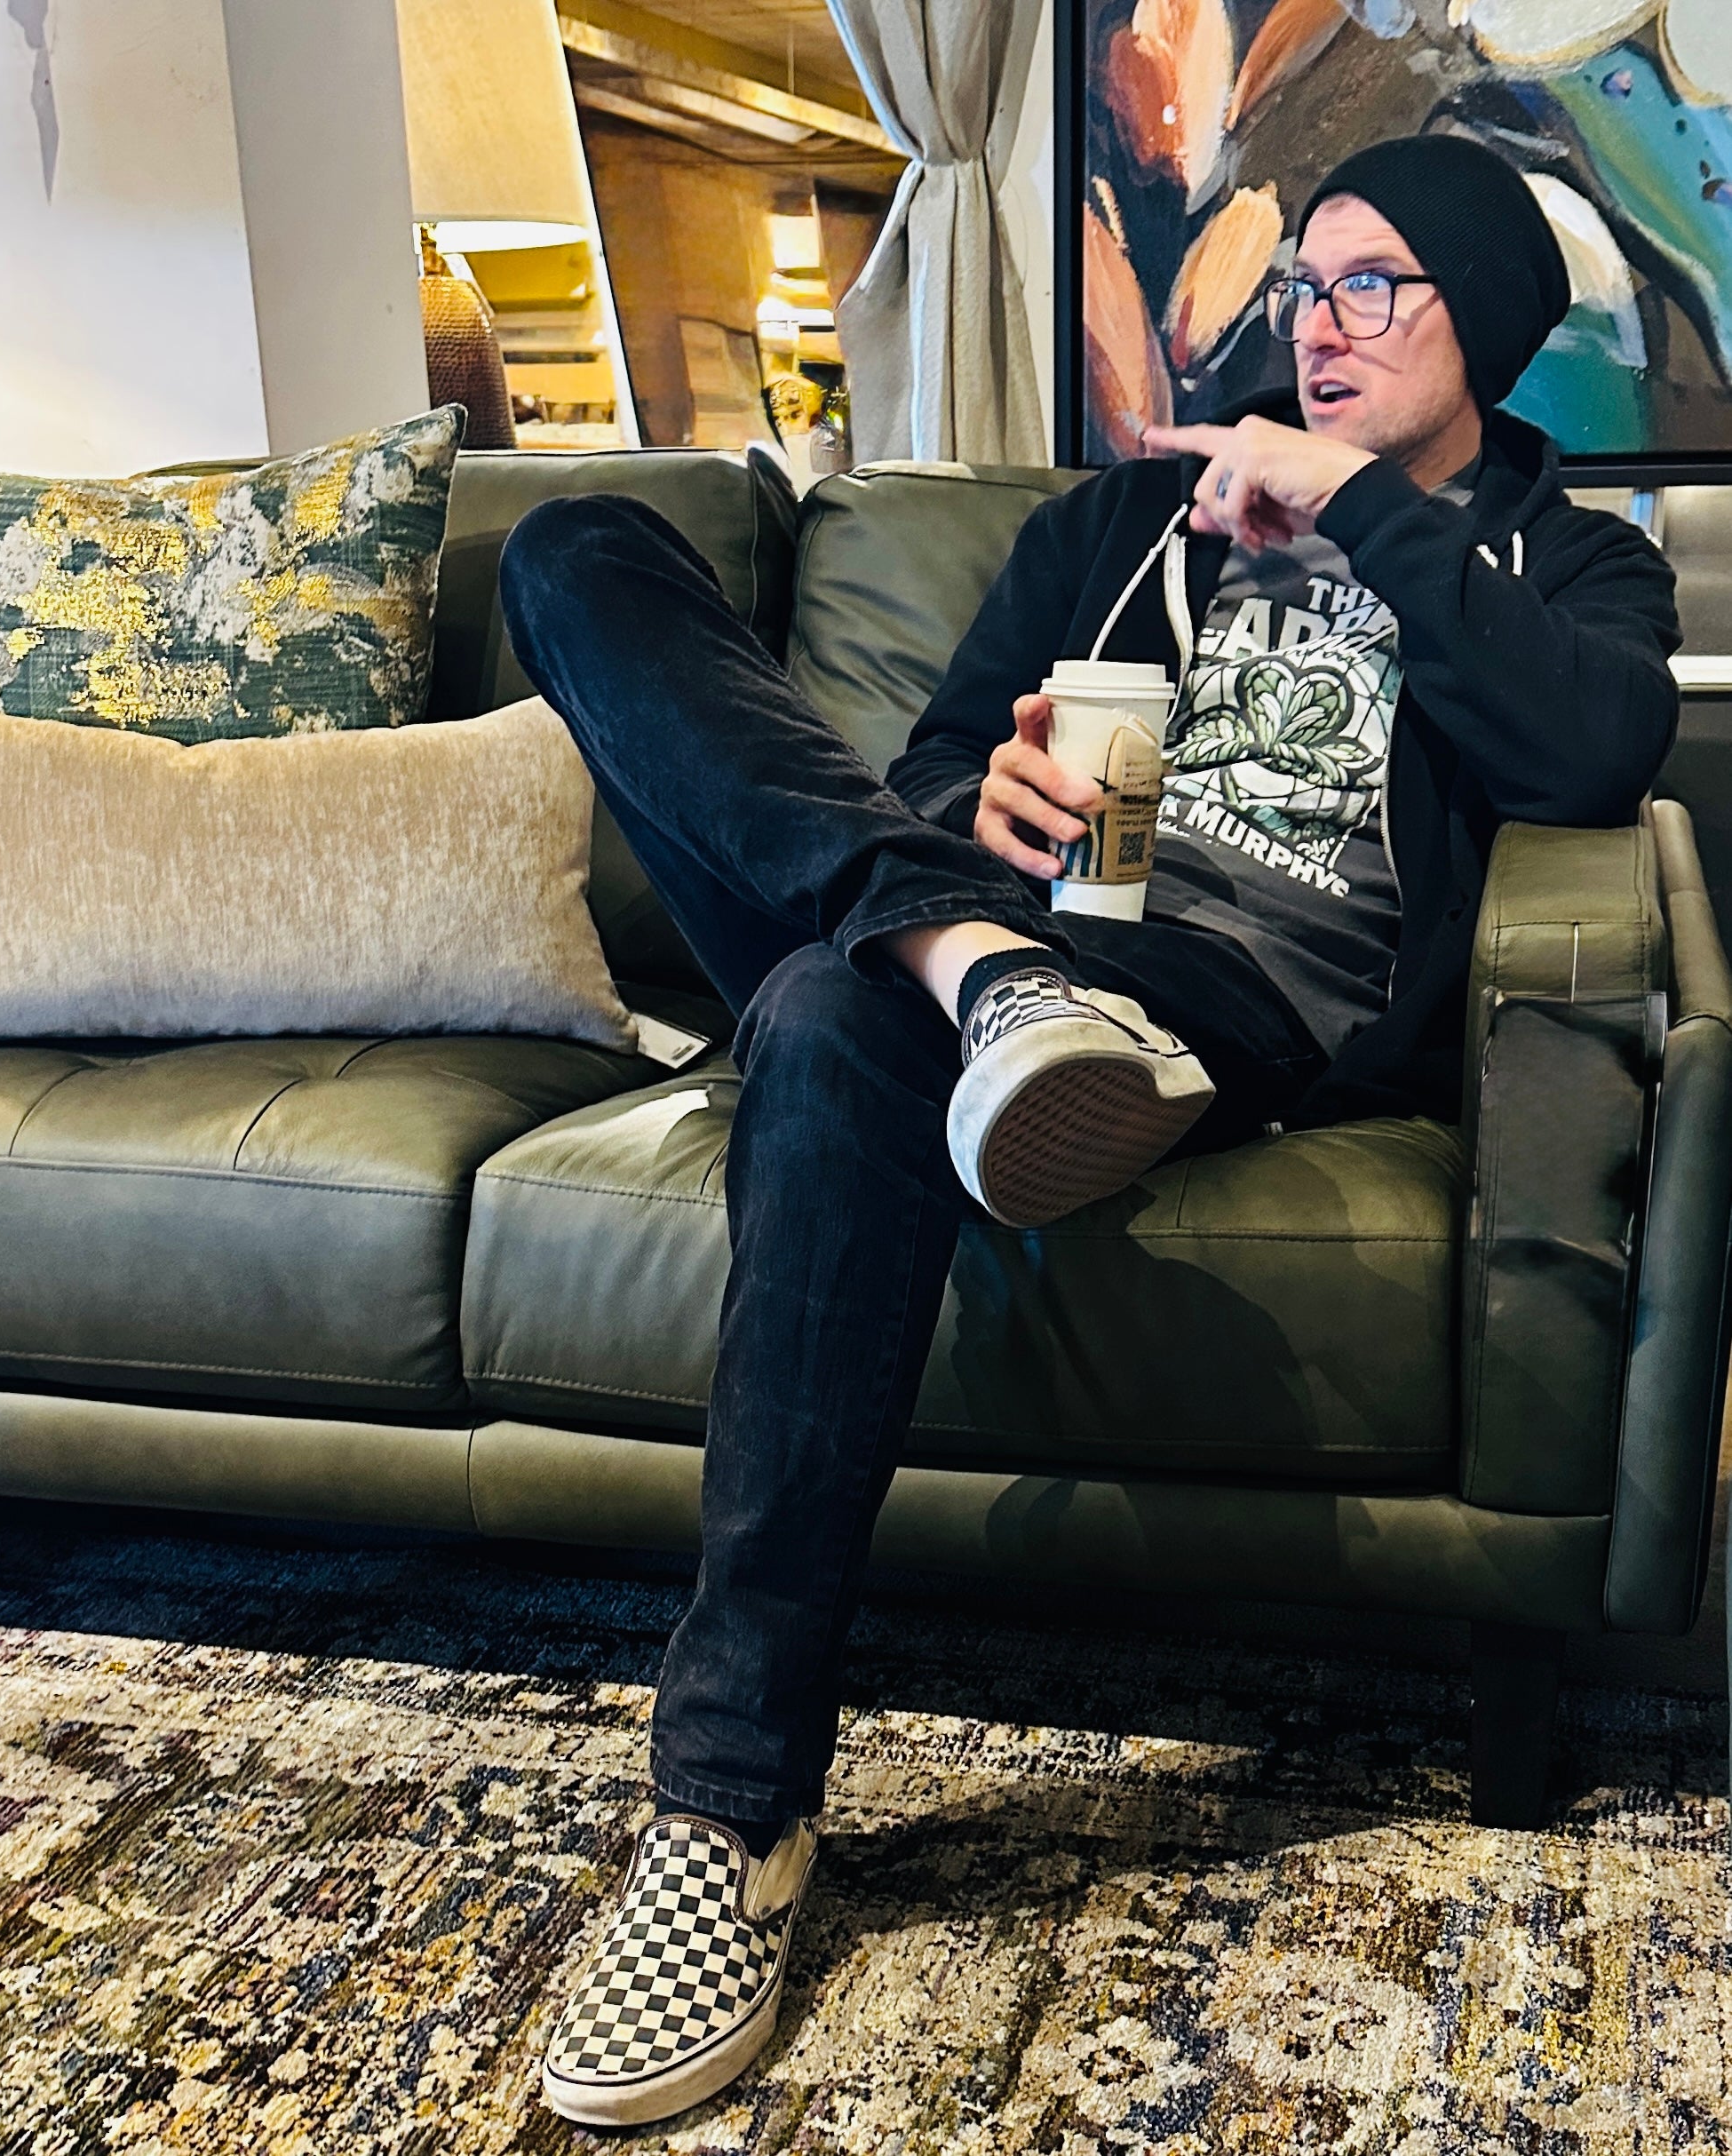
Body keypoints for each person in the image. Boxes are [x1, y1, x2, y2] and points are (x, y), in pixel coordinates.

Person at [497, 133, 1680, 2128]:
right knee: (573, 553)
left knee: (823, 1010)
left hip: (1211, 1008)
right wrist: (977, 810)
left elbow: (1592, 744)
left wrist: (1353, 504)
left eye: (1369, 286)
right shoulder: (1126, 521)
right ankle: (972, 967)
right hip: (1005, 934)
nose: (1316, 328)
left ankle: (725, 1808)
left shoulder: (1561, 565)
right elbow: (934, 757)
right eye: (1301, 288)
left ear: (1477, 317)